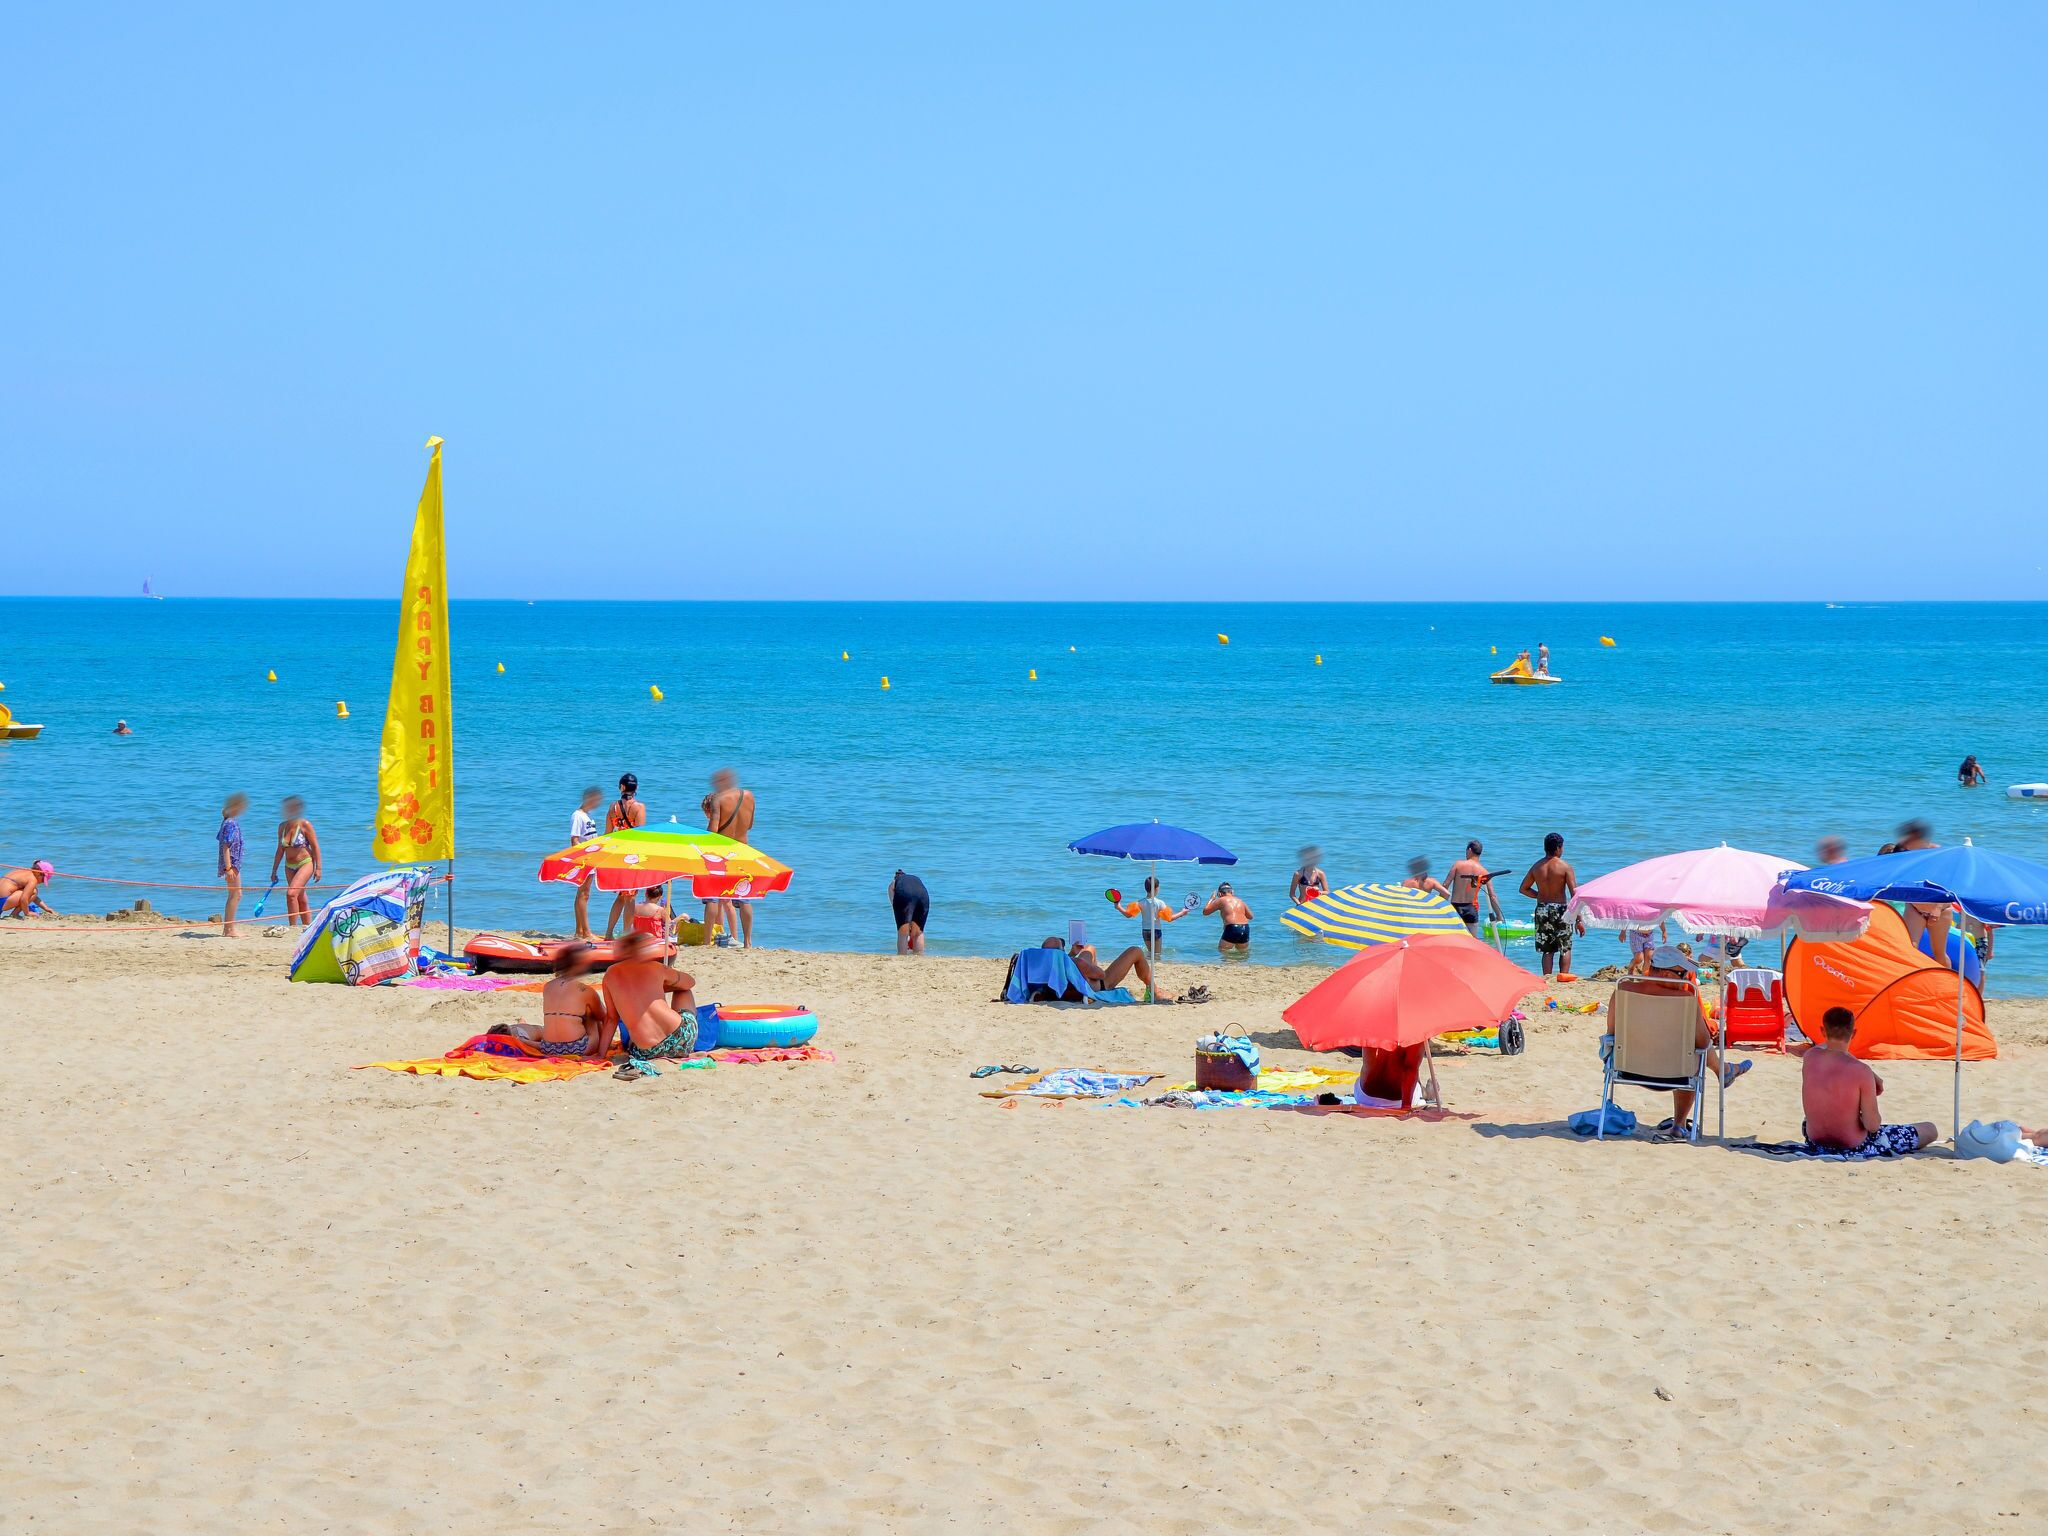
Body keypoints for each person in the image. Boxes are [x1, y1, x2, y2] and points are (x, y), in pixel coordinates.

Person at [1622, 946, 1751, 1136]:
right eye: (1681, 973)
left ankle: (1724, 1070)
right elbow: (1703, 1041)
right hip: (1675, 1075)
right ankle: (1679, 1124)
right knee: (1690, 1056)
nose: (1685, 979)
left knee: (1685, 1055)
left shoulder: (1624, 990)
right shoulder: (1685, 1000)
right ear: (1665, 973)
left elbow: (1612, 1034)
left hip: (1627, 1069)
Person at [1801, 1006, 1936, 1155]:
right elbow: (1872, 1125)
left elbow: (1831, 1050)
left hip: (1815, 1140)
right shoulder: (1860, 1071)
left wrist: (1872, 1075)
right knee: (1930, 1129)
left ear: (1822, 1031)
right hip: (1853, 1145)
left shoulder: (1810, 1056)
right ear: (1854, 1033)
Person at [599, 931, 700, 1061]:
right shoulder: (656, 967)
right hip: (681, 1038)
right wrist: (662, 986)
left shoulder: (610, 975)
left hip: (648, 1052)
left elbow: (611, 1019)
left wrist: (600, 1055)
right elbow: (690, 982)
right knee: (682, 990)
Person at [703, 767, 757, 948]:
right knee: (744, 897)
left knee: (712, 896)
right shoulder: (749, 796)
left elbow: (713, 831)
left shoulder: (718, 800)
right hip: (742, 851)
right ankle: (748, 942)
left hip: (722, 853)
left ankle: (706, 942)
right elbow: (749, 825)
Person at [1041, 936, 1184, 1002]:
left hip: (1071, 988)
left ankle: (1087, 968)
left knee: (1089, 949)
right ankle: (1154, 990)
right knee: (1136, 951)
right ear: (1061, 951)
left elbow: (1062, 962)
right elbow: (1101, 974)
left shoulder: (1043, 967)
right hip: (1101, 985)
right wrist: (1088, 968)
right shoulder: (1076, 963)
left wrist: (1072, 954)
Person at [528, 943, 608, 1058]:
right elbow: (604, 1017)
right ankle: (605, 1046)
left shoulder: (548, 986)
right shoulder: (585, 990)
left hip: (548, 1048)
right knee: (591, 1014)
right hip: (577, 1049)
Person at [1893, 819, 1954, 965]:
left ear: (1919, 837)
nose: (1904, 840)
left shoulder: (1937, 853)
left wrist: (1938, 908)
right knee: (1910, 949)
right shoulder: (1904, 852)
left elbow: (1949, 885)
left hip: (1941, 909)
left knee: (1939, 953)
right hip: (1915, 908)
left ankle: (1946, 985)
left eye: (1908, 837)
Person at [1519, 832, 1578, 977]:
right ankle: (1563, 976)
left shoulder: (1537, 866)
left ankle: (1547, 978)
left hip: (1542, 909)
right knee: (1565, 947)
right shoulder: (1565, 867)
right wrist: (1579, 918)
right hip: (1561, 909)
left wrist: (1539, 895)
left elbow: (1523, 889)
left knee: (1547, 950)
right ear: (1558, 848)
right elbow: (1574, 895)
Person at [602, 773, 646, 939]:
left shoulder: (613, 808)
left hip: (617, 856)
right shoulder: (639, 808)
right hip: (632, 856)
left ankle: (608, 933)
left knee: (621, 897)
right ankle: (627, 934)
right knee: (631, 897)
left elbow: (607, 834)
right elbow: (640, 834)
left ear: (621, 787)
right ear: (636, 788)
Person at [270, 796, 322, 929]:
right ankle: (308, 926)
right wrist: (274, 870)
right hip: (289, 866)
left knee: (291, 894)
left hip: (305, 863)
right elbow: (280, 850)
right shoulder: (282, 827)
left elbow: (315, 847)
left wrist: (318, 869)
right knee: (300, 897)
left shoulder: (305, 825)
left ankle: (292, 927)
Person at [1115, 876, 1191, 956]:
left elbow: (1128, 915)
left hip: (1145, 931)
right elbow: (1169, 918)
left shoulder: (1140, 902)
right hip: (1156, 930)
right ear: (1156, 888)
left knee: (1150, 953)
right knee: (1157, 954)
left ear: (1146, 888)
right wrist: (1182, 913)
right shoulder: (1159, 903)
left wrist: (1118, 907)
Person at [1446, 841, 1501, 936]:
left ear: (1469, 850)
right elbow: (1492, 896)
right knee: (1473, 942)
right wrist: (1499, 916)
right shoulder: (1484, 871)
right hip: (1471, 909)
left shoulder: (1458, 865)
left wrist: (1438, 905)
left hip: (1455, 908)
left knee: (1454, 940)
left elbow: (1445, 885)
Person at [569, 785, 603, 939]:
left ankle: (579, 931)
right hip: (584, 859)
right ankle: (586, 931)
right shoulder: (578, 815)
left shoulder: (589, 817)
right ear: (590, 799)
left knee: (583, 894)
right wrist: (584, 857)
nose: (598, 803)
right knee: (584, 894)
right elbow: (575, 840)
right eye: (596, 800)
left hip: (591, 858)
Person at [217, 794, 248, 937]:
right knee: (235, 894)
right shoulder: (230, 823)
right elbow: (226, 846)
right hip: (232, 863)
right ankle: (229, 929)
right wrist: (228, 867)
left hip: (233, 863)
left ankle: (228, 928)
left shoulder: (229, 821)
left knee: (236, 894)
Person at [1203, 882, 1254, 955]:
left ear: (1220, 894)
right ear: (1232, 892)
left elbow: (1205, 912)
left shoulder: (1221, 900)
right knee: (1242, 954)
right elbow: (1250, 916)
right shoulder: (1240, 901)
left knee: (1223, 951)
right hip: (1245, 927)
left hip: (1232, 927)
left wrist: (1212, 899)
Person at [888, 869, 929, 954]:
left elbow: (894, 905)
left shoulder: (894, 882)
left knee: (903, 932)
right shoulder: (914, 879)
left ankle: (902, 956)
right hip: (923, 895)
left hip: (905, 893)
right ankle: (918, 955)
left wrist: (905, 926)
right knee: (918, 931)